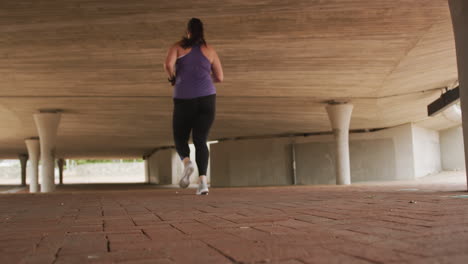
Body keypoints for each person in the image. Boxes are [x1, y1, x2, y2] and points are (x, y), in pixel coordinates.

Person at [164, 18, 224, 195]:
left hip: (184, 98)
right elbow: (220, 77)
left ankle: (187, 162)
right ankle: (203, 183)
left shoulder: (177, 47)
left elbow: (168, 65)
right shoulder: (210, 50)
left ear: (188, 31)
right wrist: (204, 78)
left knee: (180, 137)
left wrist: (173, 78)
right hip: (207, 99)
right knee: (200, 140)